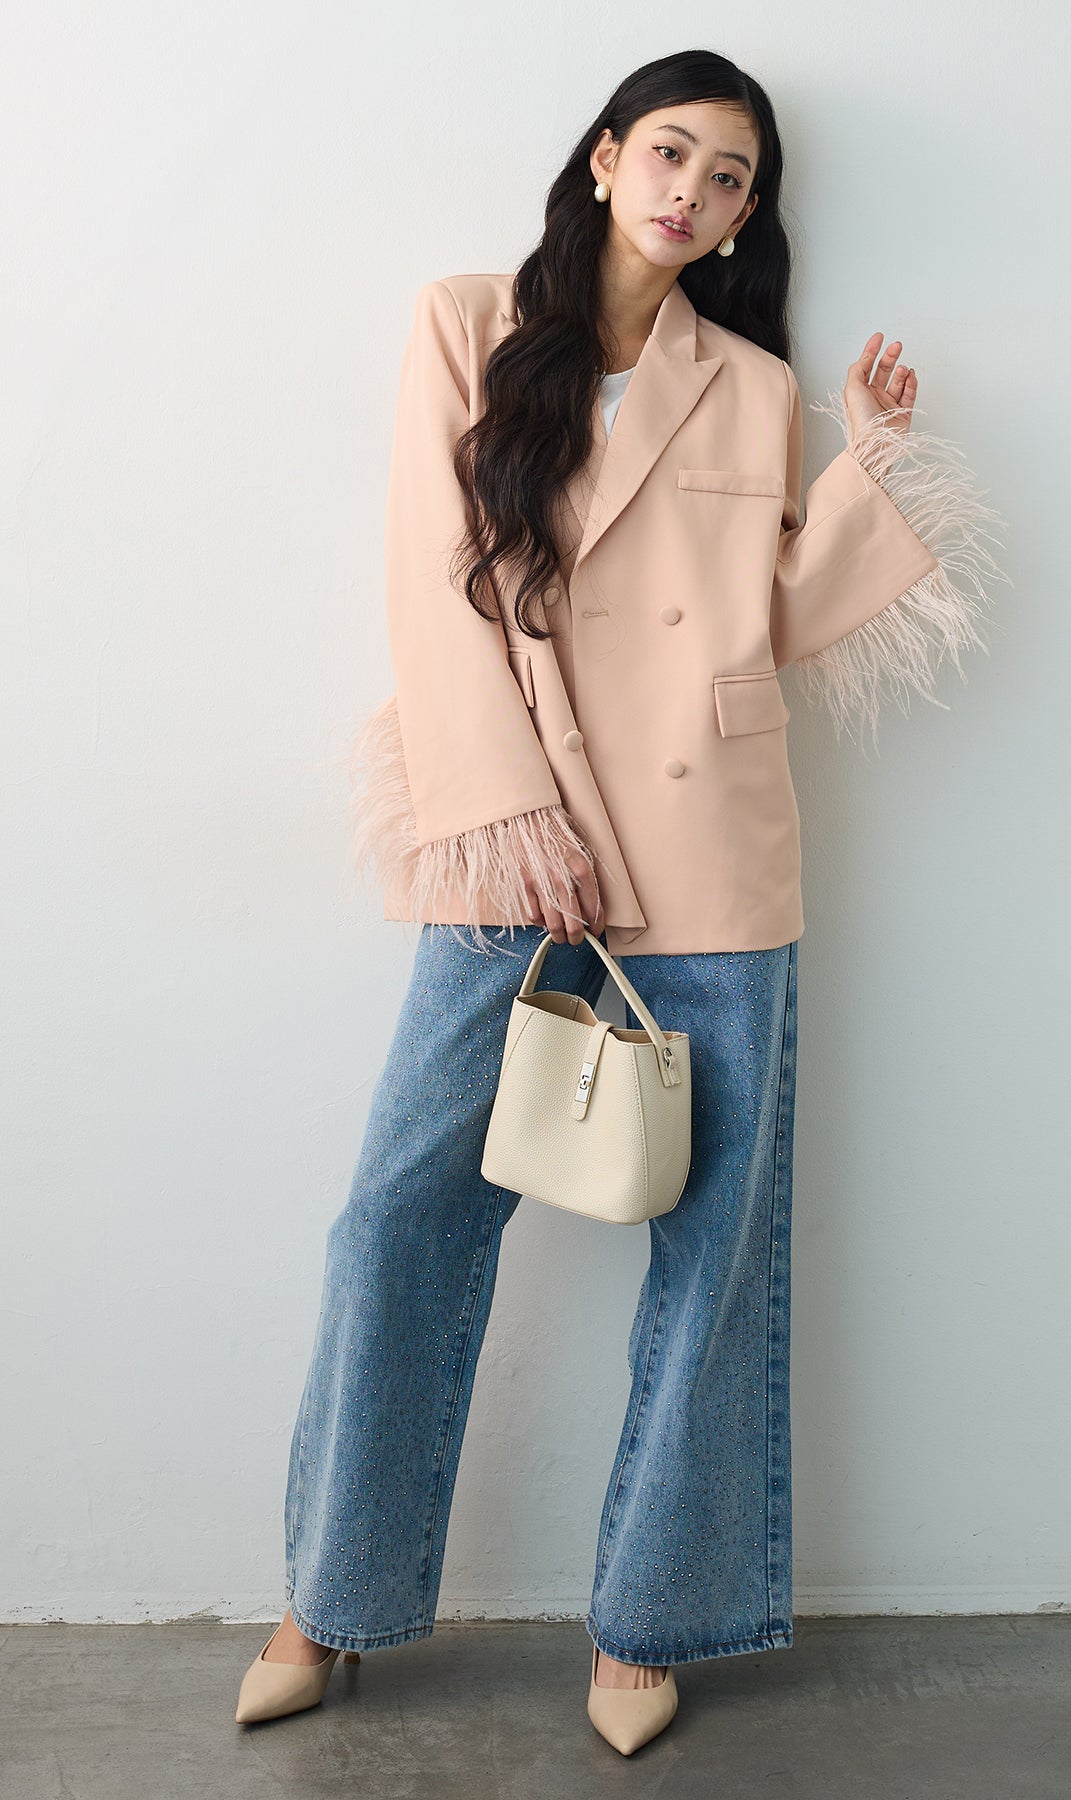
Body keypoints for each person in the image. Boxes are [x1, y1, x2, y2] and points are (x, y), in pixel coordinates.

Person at [234, 48, 1005, 1755]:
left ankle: (651, 1621)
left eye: (731, 179)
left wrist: (870, 467)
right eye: (672, 152)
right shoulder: (467, 321)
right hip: (514, 841)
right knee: (399, 1220)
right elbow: (428, 582)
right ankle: (331, 1597)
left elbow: (769, 623)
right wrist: (510, 810)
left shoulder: (752, 383)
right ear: (603, 159)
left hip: (709, 845)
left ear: (744, 218)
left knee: (714, 1251)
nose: (694, 192)